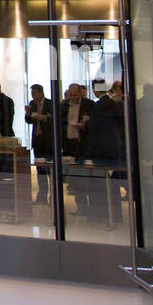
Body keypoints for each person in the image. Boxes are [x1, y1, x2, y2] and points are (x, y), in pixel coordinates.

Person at [86, 80, 126, 224]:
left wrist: (88, 122)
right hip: (113, 147)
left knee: (102, 185)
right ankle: (115, 215)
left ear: (95, 90)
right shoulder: (112, 104)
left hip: (102, 149)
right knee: (111, 185)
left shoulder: (100, 106)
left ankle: (104, 215)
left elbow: (96, 128)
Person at [60, 82, 93, 218]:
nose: (72, 97)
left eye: (75, 95)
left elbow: (95, 123)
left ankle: (92, 208)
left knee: (86, 178)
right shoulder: (64, 106)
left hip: (83, 145)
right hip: (69, 145)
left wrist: (85, 125)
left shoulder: (89, 105)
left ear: (80, 93)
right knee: (74, 179)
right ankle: (81, 206)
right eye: (71, 95)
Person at [25, 84, 53, 203]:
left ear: (41, 93)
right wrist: (28, 113)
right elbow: (29, 120)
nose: (33, 96)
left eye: (34, 93)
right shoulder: (32, 104)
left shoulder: (50, 103)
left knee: (50, 169)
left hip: (48, 140)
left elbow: (52, 120)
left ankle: (53, 195)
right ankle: (42, 196)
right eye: (32, 93)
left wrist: (42, 117)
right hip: (37, 141)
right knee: (40, 170)